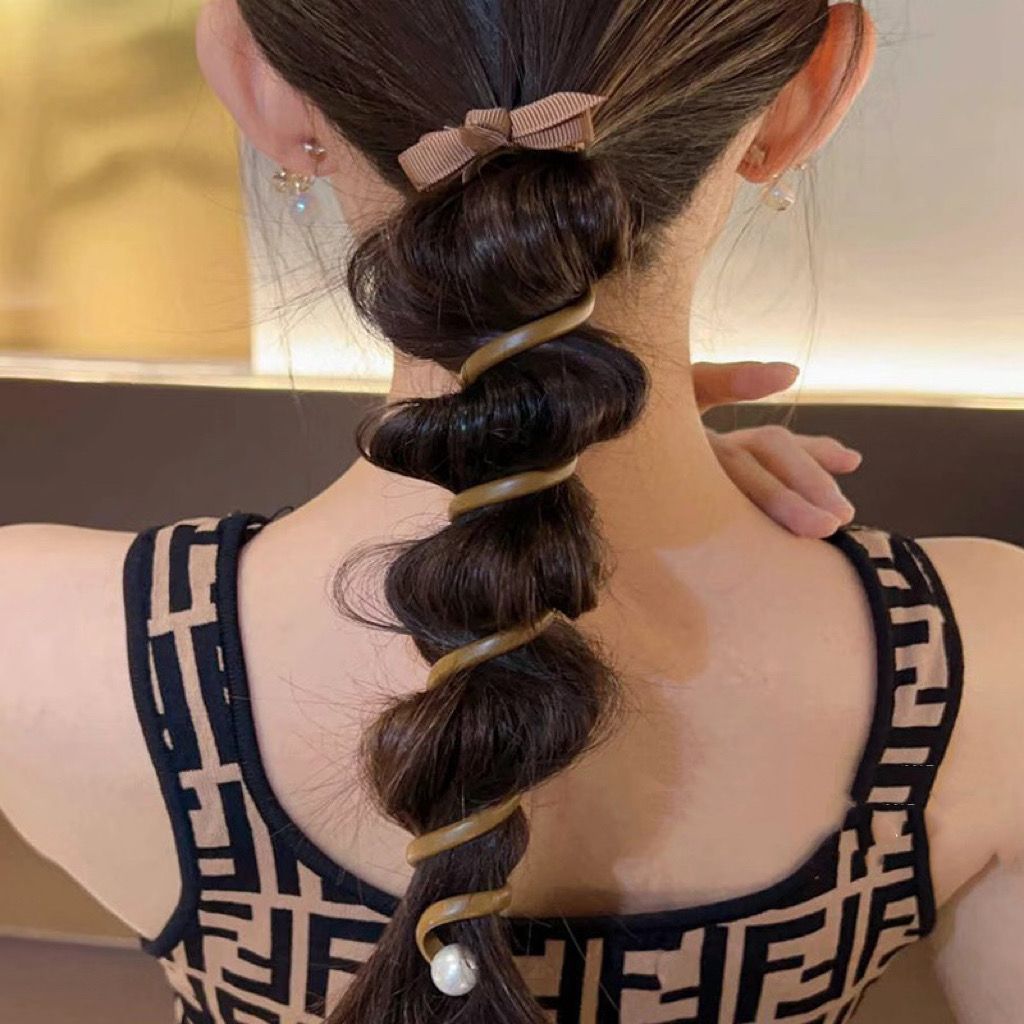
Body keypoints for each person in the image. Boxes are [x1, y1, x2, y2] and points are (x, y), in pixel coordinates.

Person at [1, 0, 1021, 1021]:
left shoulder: (38, 636)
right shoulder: (984, 663)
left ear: (254, 81)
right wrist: (632, 450)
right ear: (812, 89)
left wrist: (545, 433)